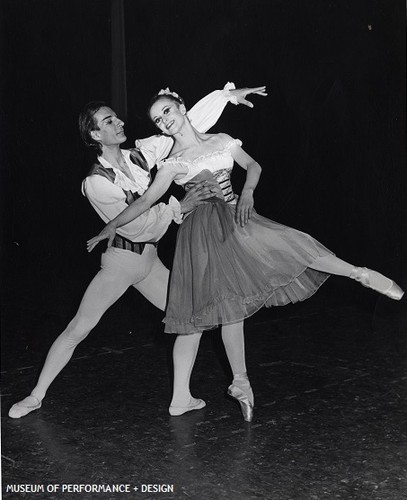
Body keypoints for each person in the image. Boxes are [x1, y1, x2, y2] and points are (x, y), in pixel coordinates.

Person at [87, 88, 404, 422]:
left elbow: (253, 165)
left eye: (167, 111)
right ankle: (240, 382)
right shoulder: (171, 162)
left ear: (182, 108)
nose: (164, 121)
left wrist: (249, 192)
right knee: (229, 304)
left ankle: (360, 273)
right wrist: (112, 225)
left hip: (237, 211)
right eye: (157, 119)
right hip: (204, 231)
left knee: (293, 242)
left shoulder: (220, 139)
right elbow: (144, 201)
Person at [8, 83, 268, 419]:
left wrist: (225, 97)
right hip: (121, 263)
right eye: (108, 121)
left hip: (150, 262)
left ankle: (181, 399)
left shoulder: (141, 154)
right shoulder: (96, 181)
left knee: (193, 321)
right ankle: (35, 395)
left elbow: (187, 126)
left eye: (116, 117)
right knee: (79, 328)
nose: (118, 122)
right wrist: (181, 206)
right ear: (95, 134)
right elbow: (134, 227)